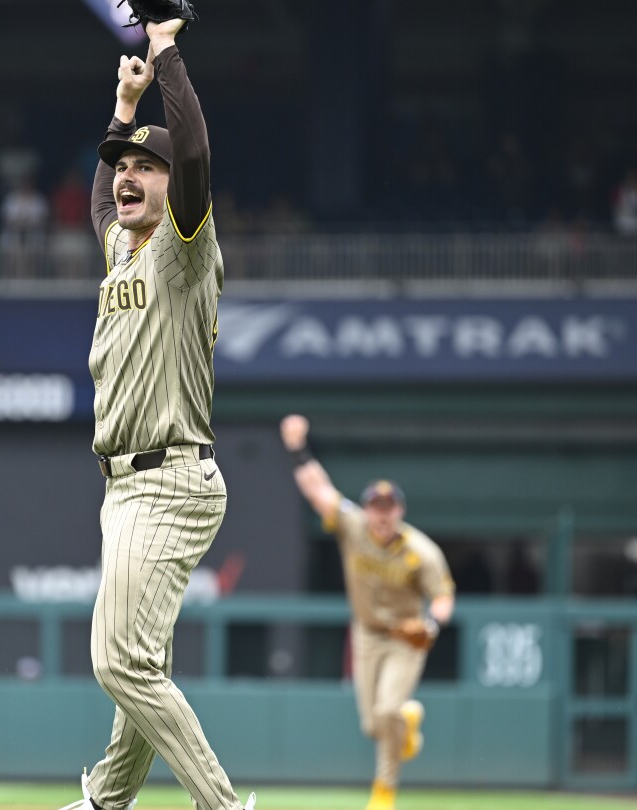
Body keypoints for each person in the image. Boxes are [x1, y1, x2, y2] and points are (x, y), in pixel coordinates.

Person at [57, 18, 254, 810]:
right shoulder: (124, 249)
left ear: (175, 188)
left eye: (147, 166)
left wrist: (165, 47)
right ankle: (108, 800)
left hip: (168, 479)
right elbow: (101, 207)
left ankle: (221, 806)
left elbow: (195, 152)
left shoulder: (183, 245)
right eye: (123, 166)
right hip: (128, 486)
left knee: (119, 662)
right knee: (142, 662)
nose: (128, 177)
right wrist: (123, 106)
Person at [279, 415, 455, 810]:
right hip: (367, 633)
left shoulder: (421, 551)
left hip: (405, 638)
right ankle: (408, 723)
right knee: (374, 725)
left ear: (400, 510)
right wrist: (297, 449)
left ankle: (383, 793)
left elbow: (444, 596)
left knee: (387, 709)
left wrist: (431, 624)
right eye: (376, 506)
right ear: (366, 509)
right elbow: (318, 490)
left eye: (388, 507)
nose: (382, 515)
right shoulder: (354, 526)